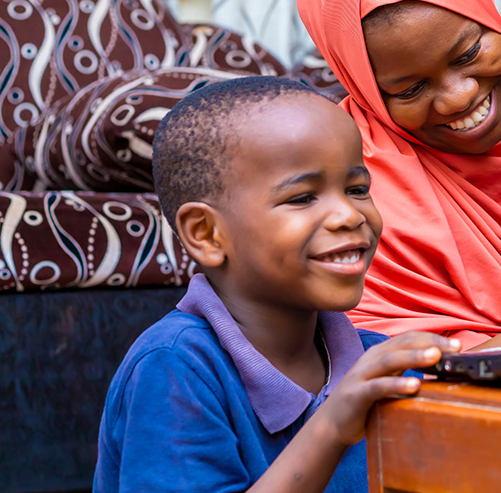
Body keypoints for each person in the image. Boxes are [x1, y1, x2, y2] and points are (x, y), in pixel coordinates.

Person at [94, 77, 456, 493]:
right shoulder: (176, 368)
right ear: (207, 234)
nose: (349, 216)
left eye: (357, 189)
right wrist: (334, 424)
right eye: (302, 197)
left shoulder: (376, 360)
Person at [296, 0, 501, 350]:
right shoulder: (345, 182)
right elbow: (390, 374)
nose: (459, 97)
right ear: (364, 87)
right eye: (411, 90)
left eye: (470, 54)